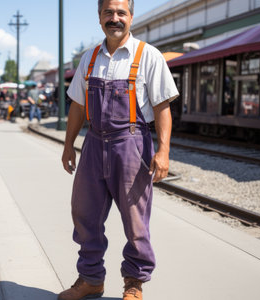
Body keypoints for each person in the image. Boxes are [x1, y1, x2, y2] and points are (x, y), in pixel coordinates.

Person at [59, 1, 179, 300]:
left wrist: (163, 152)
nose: (115, 19)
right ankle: (91, 280)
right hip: (94, 143)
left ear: (131, 17)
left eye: (120, 13)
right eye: (108, 13)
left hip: (131, 145)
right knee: (84, 215)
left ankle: (134, 285)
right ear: (99, 17)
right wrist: (68, 146)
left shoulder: (148, 55)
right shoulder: (89, 58)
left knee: (136, 221)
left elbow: (163, 106)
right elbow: (77, 105)